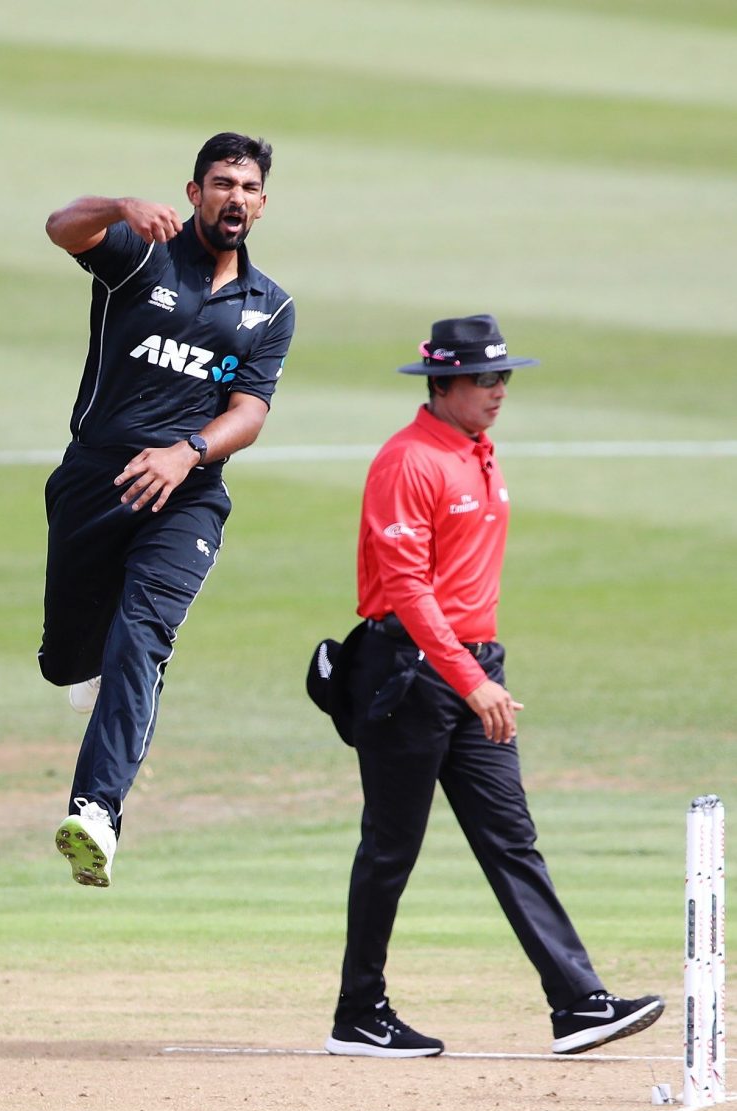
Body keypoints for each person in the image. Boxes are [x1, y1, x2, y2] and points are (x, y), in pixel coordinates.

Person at [314, 315, 664, 1057]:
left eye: (502, 376)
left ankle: (576, 1004)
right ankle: (358, 1012)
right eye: (483, 378)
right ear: (442, 384)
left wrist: (479, 673)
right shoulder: (407, 460)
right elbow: (407, 589)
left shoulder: (476, 449)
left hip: (470, 670)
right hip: (409, 674)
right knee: (390, 847)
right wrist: (470, 680)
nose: (497, 390)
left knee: (512, 841)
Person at [40, 132, 294, 888]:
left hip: (186, 495)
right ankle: (98, 668)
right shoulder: (141, 254)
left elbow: (249, 411)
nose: (235, 199)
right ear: (194, 193)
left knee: (142, 638)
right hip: (95, 482)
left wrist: (188, 451)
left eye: (248, 187)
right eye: (221, 183)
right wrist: (117, 206)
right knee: (66, 663)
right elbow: (61, 227)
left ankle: (96, 813)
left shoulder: (269, 306)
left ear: (262, 203)